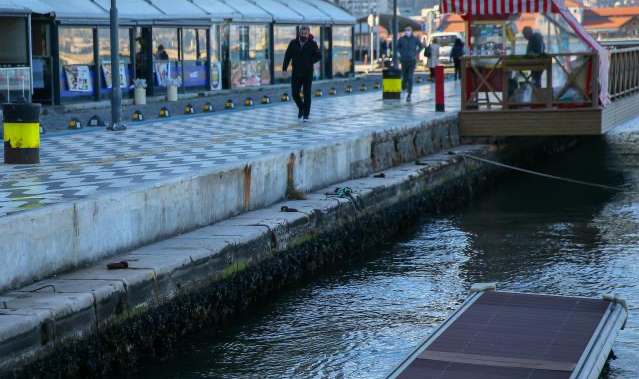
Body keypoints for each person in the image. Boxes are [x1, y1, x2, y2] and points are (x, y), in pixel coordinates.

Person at [283, 25, 322, 122]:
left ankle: (306, 115)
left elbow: (319, 56)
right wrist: (284, 68)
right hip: (296, 72)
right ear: (299, 33)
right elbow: (287, 55)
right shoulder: (293, 43)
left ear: (308, 34)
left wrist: (309, 61)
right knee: (295, 93)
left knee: (306, 93)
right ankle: (301, 107)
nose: (303, 35)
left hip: (307, 73)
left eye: (305, 34)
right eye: (301, 33)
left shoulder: (312, 44)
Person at [397, 27, 424, 102]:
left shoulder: (415, 39)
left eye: (408, 31)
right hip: (404, 60)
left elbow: (421, 46)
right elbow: (397, 47)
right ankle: (404, 84)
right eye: (406, 31)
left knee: (410, 77)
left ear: (411, 31)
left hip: (412, 60)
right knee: (404, 78)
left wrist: (416, 53)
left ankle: (409, 94)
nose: (407, 32)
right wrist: (399, 53)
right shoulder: (401, 39)